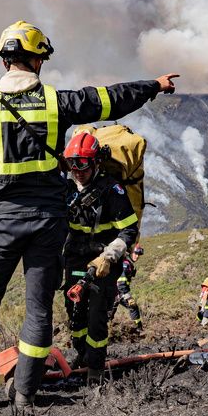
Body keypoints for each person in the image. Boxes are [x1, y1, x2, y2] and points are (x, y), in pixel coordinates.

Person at [0, 19, 178, 411]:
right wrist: (153, 85)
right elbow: (109, 99)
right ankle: (26, 393)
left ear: (4, 62)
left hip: (2, 222)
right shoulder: (57, 103)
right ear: (38, 62)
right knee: (39, 307)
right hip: (50, 225)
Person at [62, 131, 139, 384]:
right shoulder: (65, 187)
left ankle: (95, 370)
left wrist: (109, 256)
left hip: (103, 261)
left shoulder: (111, 190)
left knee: (96, 316)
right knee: (74, 312)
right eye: (72, 164)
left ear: (95, 162)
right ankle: (82, 354)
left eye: (82, 164)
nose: (77, 170)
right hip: (74, 258)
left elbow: (129, 229)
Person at [109, 245, 144, 333]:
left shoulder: (128, 262)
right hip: (118, 292)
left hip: (115, 292)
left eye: (139, 254)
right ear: (131, 252)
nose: (137, 256)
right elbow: (121, 282)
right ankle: (139, 329)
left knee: (110, 313)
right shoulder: (126, 263)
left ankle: (107, 330)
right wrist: (127, 296)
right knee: (133, 306)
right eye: (136, 253)